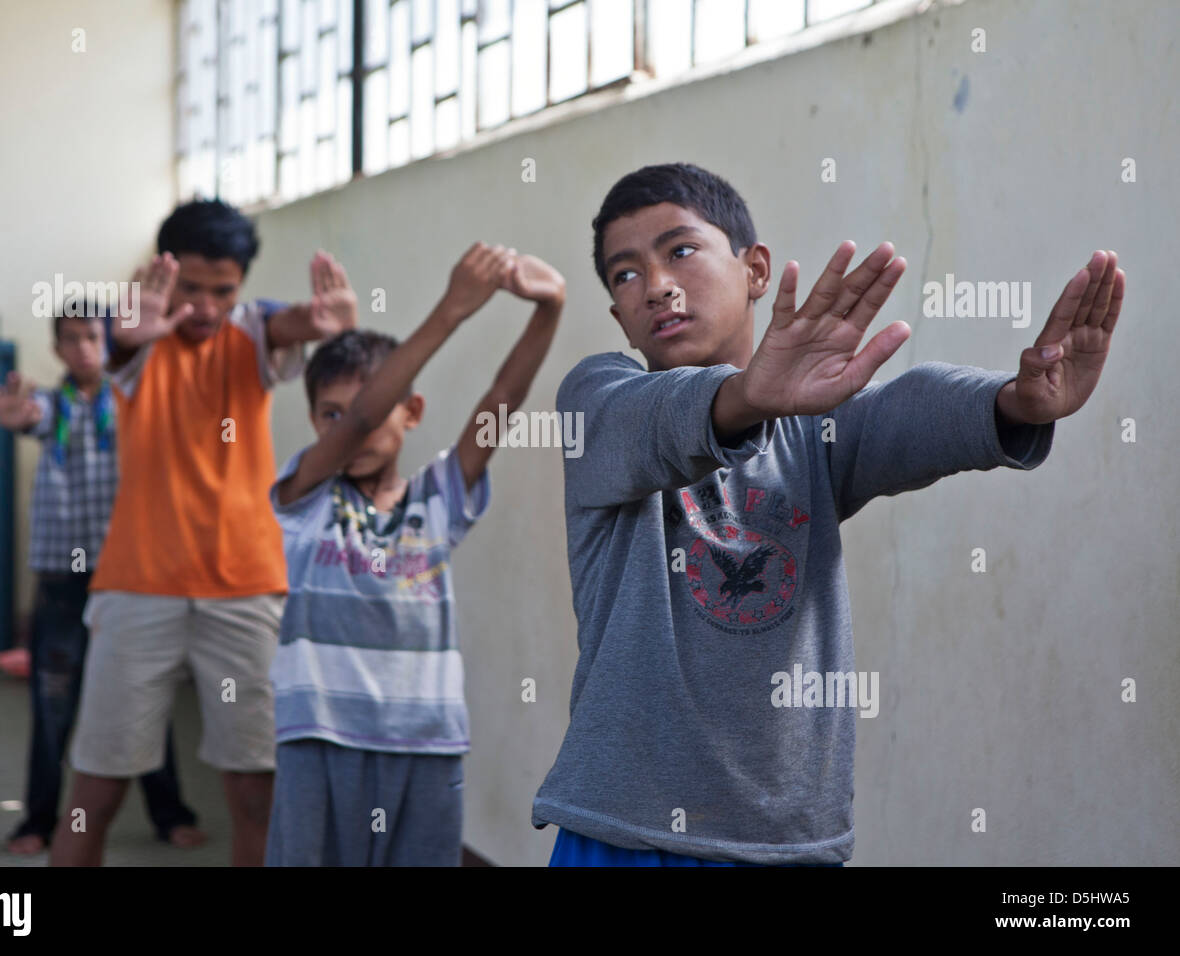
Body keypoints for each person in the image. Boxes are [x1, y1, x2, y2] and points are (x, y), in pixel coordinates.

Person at [531, 162, 1125, 865]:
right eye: (624, 275)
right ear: (618, 318)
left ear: (755, 270)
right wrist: (750, 393)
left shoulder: (812, 435)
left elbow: (904, 410)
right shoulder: (600, 399)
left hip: (791, 837)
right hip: (621, 826)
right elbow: (651, 421)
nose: (656, 284)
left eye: (681, 250)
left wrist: (1012, 403)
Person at [49, 200, 357, 866]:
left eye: (223, 290)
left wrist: (321, 322)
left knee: (255, 788)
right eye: (190, 287)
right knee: (95, 788)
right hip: (138, 586)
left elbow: (287, 323)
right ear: (163, 272)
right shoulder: (135, 335)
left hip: (244, 587)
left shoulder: (252, 332)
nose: (205, 306)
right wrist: (132, 334)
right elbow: (124, 344)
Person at [265, 243, 565, 866]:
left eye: (376, 412)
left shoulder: (438, 500)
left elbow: (501, 401)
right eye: (332, 415)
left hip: (426, 745)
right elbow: (362, 417)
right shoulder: (304, 499)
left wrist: (549, 310)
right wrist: (449, 312)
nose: (355, 427)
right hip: (318, 737)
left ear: (414, 411)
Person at [0, 306, 201, 855]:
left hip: (128, 575)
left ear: (109, 343)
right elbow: (27, 416)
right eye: (72, 339)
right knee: (52, 704)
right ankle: (36, 822)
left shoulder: (134, 400)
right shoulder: (50, 405)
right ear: (59, 349)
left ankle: (171, 813)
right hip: (63, 578)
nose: (84, 347)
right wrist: (16, 416)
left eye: (93, 337)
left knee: (145, 700)